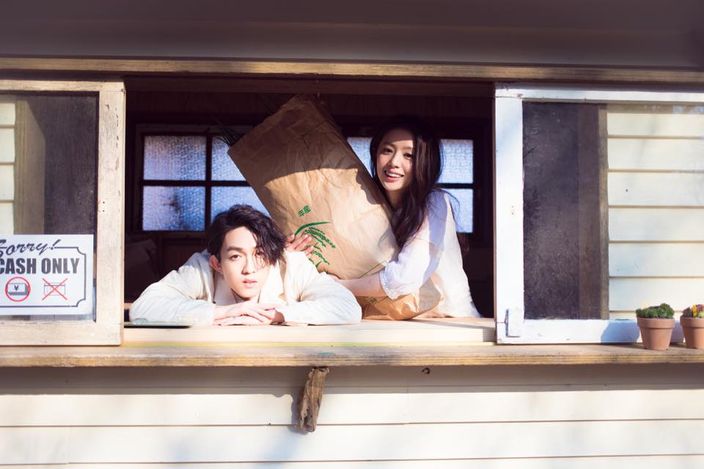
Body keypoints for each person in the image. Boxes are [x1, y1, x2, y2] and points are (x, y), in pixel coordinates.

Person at [291, 116, 479, 318]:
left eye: (409, 155)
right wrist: (297, 251)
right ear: (375, 154)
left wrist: (339, 285)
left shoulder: (434, 202)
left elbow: (403, 278)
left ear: (426, 162)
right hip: (396, 320)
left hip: (450, 320)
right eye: (387, 150)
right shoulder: (367, 202)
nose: (394, 163)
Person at [130, 205, 361, 326]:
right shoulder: (201, 267)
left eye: (259, 254)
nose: (249, 269)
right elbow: (143, 308)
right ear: (217, 263)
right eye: (235, 257)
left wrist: (277, 315)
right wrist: (223, 312)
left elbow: (347, 308)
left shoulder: (291, 263)